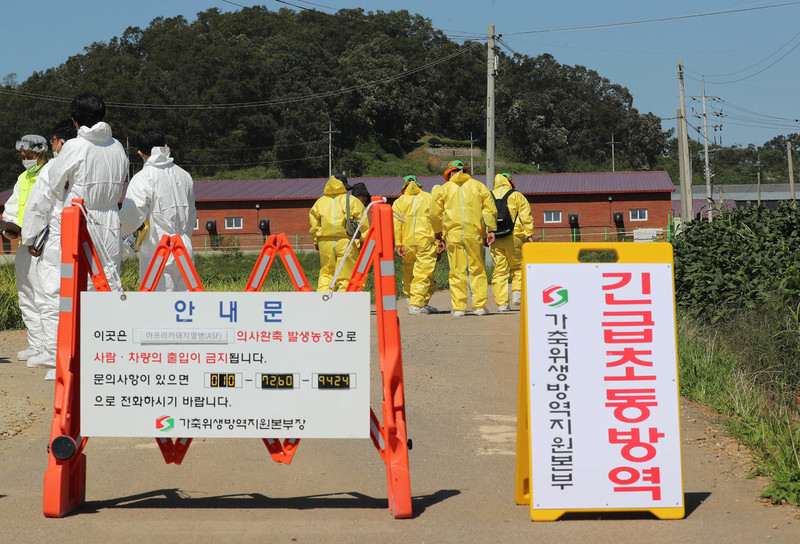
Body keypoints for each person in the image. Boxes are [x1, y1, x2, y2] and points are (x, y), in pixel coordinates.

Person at [40, 93, 129, 292]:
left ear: (74, 120)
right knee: (111, 279)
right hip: (111, 220)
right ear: (103, 116)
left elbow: (55, 183)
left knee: (80, 282)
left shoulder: (74, 146)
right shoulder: (118, 146)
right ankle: (111, 323)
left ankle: (83, 324)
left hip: (80, 221)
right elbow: (122, 176)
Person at [19, 121, 78, 374]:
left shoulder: (55, 166)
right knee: (90, 293)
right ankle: (87, 350)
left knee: (52, 295)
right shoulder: (111, 153)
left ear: (58, 143)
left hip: (59, 235)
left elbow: (37, 206)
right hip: (95, 232)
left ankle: (57, 355)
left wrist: (30, 239)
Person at [120, 129, 197, 291]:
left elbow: (131, 216)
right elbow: (191, 215)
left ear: (140, 153)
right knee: (185, 304)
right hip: (184, 245)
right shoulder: (184, 175)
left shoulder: (143, 177)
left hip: (158, 248)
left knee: (158, 305)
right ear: (165, 146)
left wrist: (120, 232)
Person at [3, 135, 48, 363]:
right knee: (26, 294)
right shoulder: (23, 178)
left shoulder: (49, 175)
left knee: (43, 295)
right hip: (23, 244)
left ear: (41, 153)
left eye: (29, 156)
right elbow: (12, 208)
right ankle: (36, 343)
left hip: (43, 246)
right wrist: (8, 228)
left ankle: (49, 347)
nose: (26, 160)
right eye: (23, 156)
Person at [434, 160, 497, 316]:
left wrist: (437, 232)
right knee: (477, 269)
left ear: (449, 173)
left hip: (453, 235)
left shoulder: (444, 189)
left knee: (456, 270)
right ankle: (480, 307)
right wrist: (490, 229)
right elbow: (490, 209)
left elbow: (434, 213)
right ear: (465, 170)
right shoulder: (478, 186)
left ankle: (458, 308)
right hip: (474, 234)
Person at [309, 174, 369, 292]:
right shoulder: (352, 201)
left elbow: (314, 224)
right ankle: (343, 304)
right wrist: (363, 240)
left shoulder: (320, 202)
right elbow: (363, 223)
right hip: (346, 241)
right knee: (346, 273)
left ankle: (323, 300)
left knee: (326, 272)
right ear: (345, 187)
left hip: (325, 242)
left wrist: (316, 240)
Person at [392, 175, 442, 315]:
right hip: (426, 241)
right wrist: (439, 241)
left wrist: (398, 244)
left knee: (409, 272)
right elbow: (436, 220)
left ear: (404, 187)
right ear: (419, 185)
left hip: (407, 242)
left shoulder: (399, 202)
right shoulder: (429, 198)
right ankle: (416, 304)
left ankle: (411, 300)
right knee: (423, 274)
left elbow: (397, 225)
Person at [490, 173, 534, 311]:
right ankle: (517, 294)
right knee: (517, 267)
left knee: (499, 270)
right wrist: (529, 234)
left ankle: (502, 304)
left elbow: (483, 216)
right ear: (509, 182)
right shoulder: (516, 195)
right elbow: (525, 215)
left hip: (495, 237)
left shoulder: (489, 195)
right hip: (514, 235)